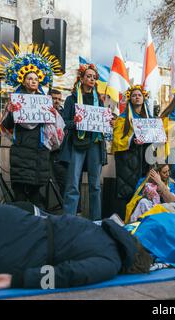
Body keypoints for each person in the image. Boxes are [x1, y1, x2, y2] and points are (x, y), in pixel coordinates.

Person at [0, 201, 152, 290]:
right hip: (20, 251)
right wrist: (17, 280)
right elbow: (68, 274)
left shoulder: (103, 229)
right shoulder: (111, 262)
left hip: (14, 220)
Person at [0, 46, 65, 207]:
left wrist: (52, 113)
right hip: (21, 150)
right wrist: (13, 112)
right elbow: (6, 126)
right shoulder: (14, 101)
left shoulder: (45, 101)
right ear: (23, 80)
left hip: (39, 151)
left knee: (36, 194)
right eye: (29, 78)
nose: (33, 81)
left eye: (35, 79)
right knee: (20, 193)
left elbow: (55, 126)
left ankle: (36, 225)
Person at [60, 64, 109, 220]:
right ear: (81, 79)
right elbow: (63, 122)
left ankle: (96, 221)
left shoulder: (99, 101)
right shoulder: (71, 99)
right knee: (73, 184)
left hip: (95, 144)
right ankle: (69, 219)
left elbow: (102, 123)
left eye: (94, 77)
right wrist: (75, 122)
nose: (92, 79)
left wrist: (108, 122)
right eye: (88, 76)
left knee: (95, 186)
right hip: (77, 144)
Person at [112, 85, 151, 215]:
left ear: (143, 98)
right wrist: (132, 140)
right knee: (127, 191)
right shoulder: (122, 118)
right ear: (130, 99)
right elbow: (117, 140)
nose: (137, 97)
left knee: (142, 191)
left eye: (139, 95)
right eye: (134, 95)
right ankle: (125, 219)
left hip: (145, 158)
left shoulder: (150, 119)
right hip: (128, 160)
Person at [48, 89, 67, 199]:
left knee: (63, 181)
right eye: (54, 98)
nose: (57, 101)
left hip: (60, 152)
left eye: (59, 99)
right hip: (48, 150)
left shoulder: (63, 113)